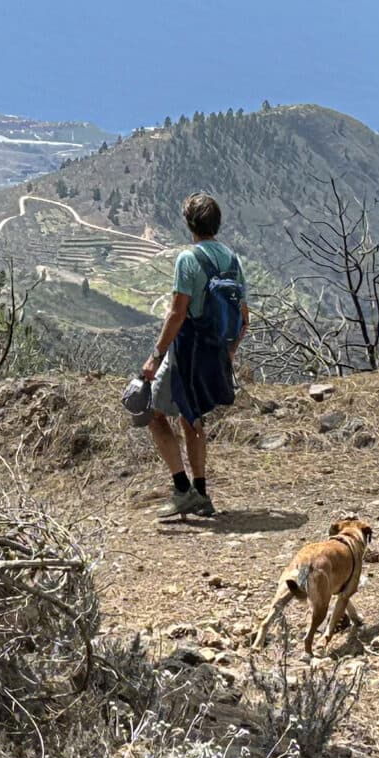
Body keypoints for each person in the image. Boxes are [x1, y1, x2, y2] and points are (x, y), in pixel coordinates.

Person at [141, 191, 247, 520]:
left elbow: (176, 314)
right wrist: (227, 353)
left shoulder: (188, 259)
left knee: (153, 413)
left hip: (186, 352)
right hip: (214, 351)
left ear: (189, 224)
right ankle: (201, 493)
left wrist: (155, 356)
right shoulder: (233, 260)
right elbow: (244, 319)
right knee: (193, 418)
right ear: (217, 224)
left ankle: (182, 489)